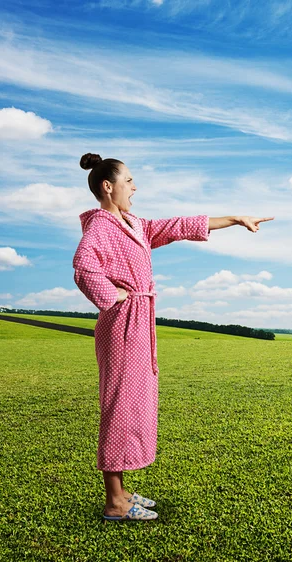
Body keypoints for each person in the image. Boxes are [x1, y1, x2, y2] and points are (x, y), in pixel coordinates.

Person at [73, 153, 274, 521]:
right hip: (122, 323)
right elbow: (84, 267)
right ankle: (115, 502)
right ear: (108, 186)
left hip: (135, 322)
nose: (135, 187)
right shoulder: (101, 228)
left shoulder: (134, 224)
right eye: (129, 181)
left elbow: (180, 225)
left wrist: (234, 218)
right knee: (119, 405)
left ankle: (121, 489)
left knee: (132, 402)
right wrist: (113, 297)